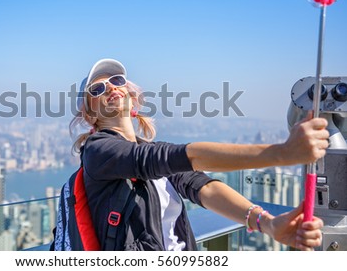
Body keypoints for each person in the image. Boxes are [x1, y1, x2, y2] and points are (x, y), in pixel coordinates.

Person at [69, 58, 328, 251]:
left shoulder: (147, 150)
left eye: (117, 81)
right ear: (90, 113)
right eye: (97, 89)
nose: (111, 88)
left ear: (130, 93)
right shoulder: (98, 151)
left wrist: (267, 223)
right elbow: (172, 158)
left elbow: (203, 187)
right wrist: (281, 153)